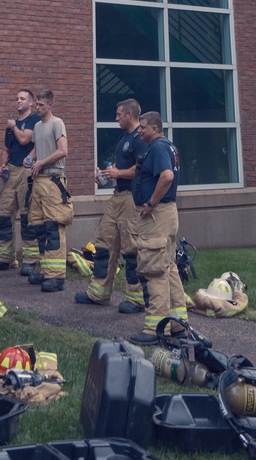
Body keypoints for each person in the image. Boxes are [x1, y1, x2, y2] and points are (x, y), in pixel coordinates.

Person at [75, 97, 144, 312]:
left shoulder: (140, 137)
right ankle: (99, 293)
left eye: (118, 115)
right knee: (103, 242)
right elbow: (122, 166)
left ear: (129, 115)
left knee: (131, 248)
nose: (116, 118)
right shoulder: (124, 137)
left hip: (131, 198)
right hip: (117, 195)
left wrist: (119, 173)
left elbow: (141, 169)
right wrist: (108, 174)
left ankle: (137, 299)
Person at [130, 111, 186, 343]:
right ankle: (177, 324)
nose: (139, 130)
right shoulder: (167, 146)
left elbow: (166, 176)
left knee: (155, 270)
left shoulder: (159, 147)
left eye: (142, 127)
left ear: (154, 128)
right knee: (169, 266)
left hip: (157, 216)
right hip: (167, 214)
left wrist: (151, 203)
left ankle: (155, 329)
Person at [0, 88, 39, 273]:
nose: (18, 101)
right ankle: (4, 257)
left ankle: (30, 260)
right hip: (11, 171)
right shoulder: (12, 125)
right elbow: (6, 149)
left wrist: (13, 126)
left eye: (22, 98)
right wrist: (2, 166)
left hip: (26, 173)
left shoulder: (34, 120)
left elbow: (25, 139)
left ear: (30, 102)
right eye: (17, 98)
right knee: (4, 214)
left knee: (27, 216)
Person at [26, 89, 70, 293]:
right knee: (38, 226)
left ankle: (56, 276)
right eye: (36, 104)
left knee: (53, 227)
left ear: (50, 105)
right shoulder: (36, 125)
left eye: (41, 105)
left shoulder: (57, 123)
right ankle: (45, 269)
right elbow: (35, 149)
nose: (37, 107)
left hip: (53, 180)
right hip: (38, 180)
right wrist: (30, 158)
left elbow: (63, 151)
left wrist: (41, 162)